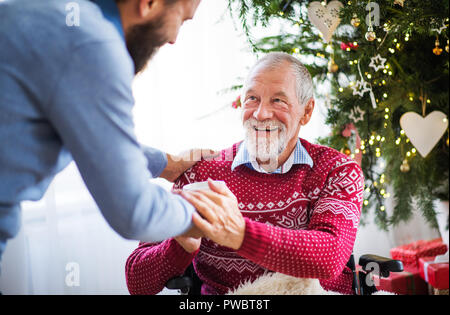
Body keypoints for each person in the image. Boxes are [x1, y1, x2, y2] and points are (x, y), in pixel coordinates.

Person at [125, 52, 365, 295]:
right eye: (252, 98)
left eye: (278, 101)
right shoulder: (199, 174)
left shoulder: (336, 170)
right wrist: (179, 246)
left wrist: (238, 233)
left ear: (306, 111)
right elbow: (137, 282)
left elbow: (331, 257)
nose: (261, 114)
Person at [0, 0, 209, 263]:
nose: (174, 39)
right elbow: (135, 212)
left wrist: (167, 164)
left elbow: (95, 137)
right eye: (181, 19)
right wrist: (203, 213)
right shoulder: (91, 45)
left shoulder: (58, 15)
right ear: (149, 3)